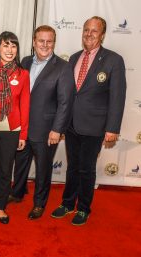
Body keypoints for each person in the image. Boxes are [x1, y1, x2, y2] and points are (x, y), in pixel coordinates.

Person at [51, 16, 126, 225]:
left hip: (95, 126)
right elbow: (69, 93)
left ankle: (83, 208)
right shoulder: (74, 58)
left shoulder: (113, 60)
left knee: (86, 168)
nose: (89, 34)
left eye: (94, 31)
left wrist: (112, 128)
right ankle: (67, 203)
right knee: (72, 166)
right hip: (72, 124)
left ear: (102, 35)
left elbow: (117, 97)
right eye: (86, 30)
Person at [8, 25, 74, 220]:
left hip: (46, 130)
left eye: (49, 41)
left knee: (43, 169)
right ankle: (17, 192)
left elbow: (65, 103)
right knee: (20, 163)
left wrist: (57, 129)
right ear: (34, 42)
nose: (45, 45)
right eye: (41, 41)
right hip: (23, 127)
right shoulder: (25, 62)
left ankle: (39, 203)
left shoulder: (63, 67)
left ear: (54, 43)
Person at [0, 31, 30, 224]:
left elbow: (25, 105)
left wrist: (23, 134)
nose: (9, 50)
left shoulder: (23, 74)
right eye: (6, 45)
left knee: (5, 168)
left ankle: (1, 206)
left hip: (12, 130)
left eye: (13, 46)